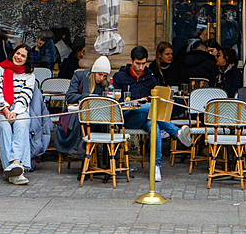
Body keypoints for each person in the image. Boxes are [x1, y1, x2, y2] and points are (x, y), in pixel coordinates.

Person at [113, 45, 186, 182]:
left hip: (147, 117)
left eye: (143, 64)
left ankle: (156, 166)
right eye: (138, 64)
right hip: (128, 116)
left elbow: (156, 100)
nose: (141, 67)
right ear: (131, 61)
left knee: (155, 126)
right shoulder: (120, 76)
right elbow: (116, 100)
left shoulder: (150, 77)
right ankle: (176, 132)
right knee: (150, 107)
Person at [0, 43, 36, 185]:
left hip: (19, 109)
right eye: (18, 53)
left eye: (23, 56)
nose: (19, 57)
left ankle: (15, 164)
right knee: (5, 127)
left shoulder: (29, 75)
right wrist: (6, 110)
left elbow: (26, 95)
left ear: (27, 59)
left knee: (23, 123)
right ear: (13, 53)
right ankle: (13, 167)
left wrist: (15, 111)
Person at [52, 55, 113, 158]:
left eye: (104, 76)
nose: (101, 78)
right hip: (77, 112)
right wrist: (87, 97)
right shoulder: (79, 75)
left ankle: (102, 157)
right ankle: (80, 145)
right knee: (82, 117)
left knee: (104, 121)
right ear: (94, 72)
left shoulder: (104, 84)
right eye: (100, 75)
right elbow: (70, 97)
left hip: (95, 115)